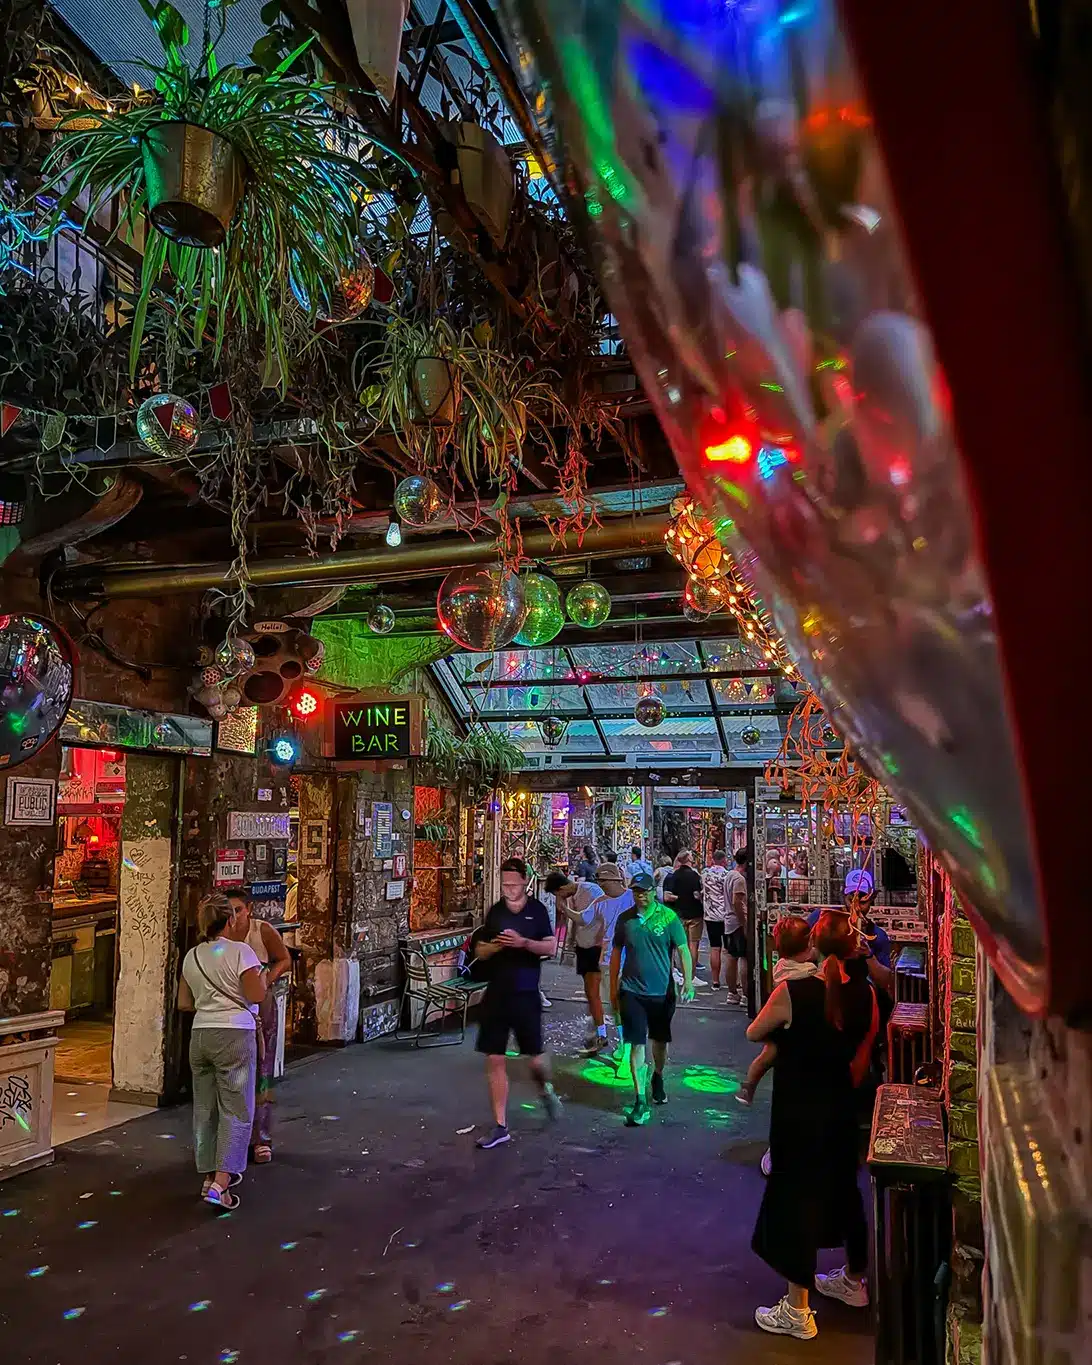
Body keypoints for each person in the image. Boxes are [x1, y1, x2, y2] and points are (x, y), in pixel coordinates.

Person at [750, 911, 880, 1340]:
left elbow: (756, 1032)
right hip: (843, 1107)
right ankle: (853, 1280)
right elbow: (862, 1055)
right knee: (845, 1189)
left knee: (795, 1198)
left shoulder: (795, 991)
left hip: (799, 1110)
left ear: (814, 945)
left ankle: (797, 1309)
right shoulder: (865, 993)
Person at [177, 894, 267, 1210]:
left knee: (205, 1108)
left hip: (200, 1035)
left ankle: (207, 1175)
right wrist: (263, 977)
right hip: (234, 1034)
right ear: (230, 919)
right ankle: (221, 1183)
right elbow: (257, 994)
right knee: (236, 1109)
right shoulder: (242, 953)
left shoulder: (191, 957)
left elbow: (184, 1003)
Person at [473, 858, 562, 1149]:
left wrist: (523, 943)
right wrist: (498, 944)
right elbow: (480, 951)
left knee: (534, 1058)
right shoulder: (496, 913)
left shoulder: (536, 911)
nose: (509, 889)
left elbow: (551, 947)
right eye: (505, 884)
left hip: (526, 994)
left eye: (514, 884)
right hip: (497, 994)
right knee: (494, 1058)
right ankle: (500, 1125)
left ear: (525, 881)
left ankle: (545, 1088)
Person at [609, 872, 694, 1126]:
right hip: (631, 991)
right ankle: (640, 1099)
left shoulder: (669, 918)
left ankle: (658, 1074)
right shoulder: (625, 920)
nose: (640, 896)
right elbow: (615, 955)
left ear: (653, 891)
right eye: (636, 892)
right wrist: (613, 987)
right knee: (636, 1044)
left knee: (659, 1042)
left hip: (662, 993)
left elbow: (683, 950)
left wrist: (688, 980)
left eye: (644, 891)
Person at [226, 892, 293, 1164]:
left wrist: (269, 977)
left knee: (261, 1070)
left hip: (261, 1008)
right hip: (231, 1010)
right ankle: (233, 1138)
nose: (234, 916)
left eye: (238, 910)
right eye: (228, 911)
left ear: (248, 909)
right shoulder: (221, 936)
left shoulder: (262, 931)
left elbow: (284, 958)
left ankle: (261, 1137)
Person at [547, 864, 633, 1055]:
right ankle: (620, 1044)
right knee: (612, 1000)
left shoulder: (630, 897)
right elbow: (583, 919)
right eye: (599, 880)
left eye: (603, 880)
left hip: (626, 956)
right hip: (606, 956)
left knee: (622, 1000)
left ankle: (626, 1045)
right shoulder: (600, 900)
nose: (601, 884)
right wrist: (565, 910)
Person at [735, 916, 816, 1105]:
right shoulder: (806, 971)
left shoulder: (782, 965)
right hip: (784, 1029)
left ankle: (748, 1087)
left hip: (777, 1020)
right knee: (769, 1054)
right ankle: (749, 1087)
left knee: (763, 1059)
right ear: (810, 942)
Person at [701, 848, 747, 1004]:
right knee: (741, 956)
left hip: (711, 915)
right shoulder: (732, 876)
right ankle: (742, 989)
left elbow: (701, 892)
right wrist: (744, 921)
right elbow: (737, 901)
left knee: (719, 950)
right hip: (731, 917)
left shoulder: (707, 874)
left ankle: (718, 982)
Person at [662, 849, 705, 983]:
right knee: (693, 945)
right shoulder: (695, 876)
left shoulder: (672, 876)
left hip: (679, 914)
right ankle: (691, 977)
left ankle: (681, 972)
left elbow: (667, 896)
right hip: (695, 913)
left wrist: (679, 898)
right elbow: (697, 895)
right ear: (688, 860)